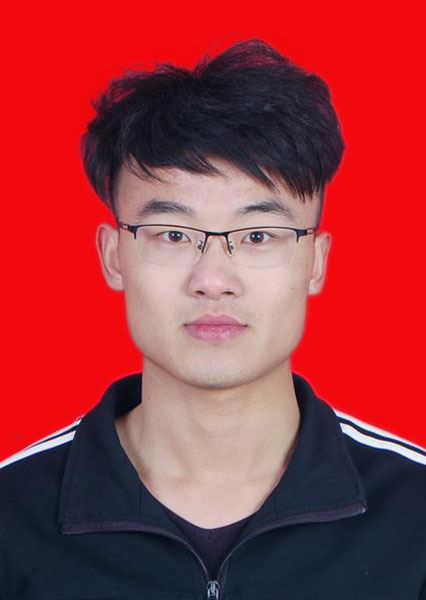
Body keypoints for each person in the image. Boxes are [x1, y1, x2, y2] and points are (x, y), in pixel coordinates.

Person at [1, 38, 425, 599]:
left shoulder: (413, 509)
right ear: (113, 256)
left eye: (258, 236)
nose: (213, 279)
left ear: (316, 263)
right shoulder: (13, 516)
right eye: (174, 235)